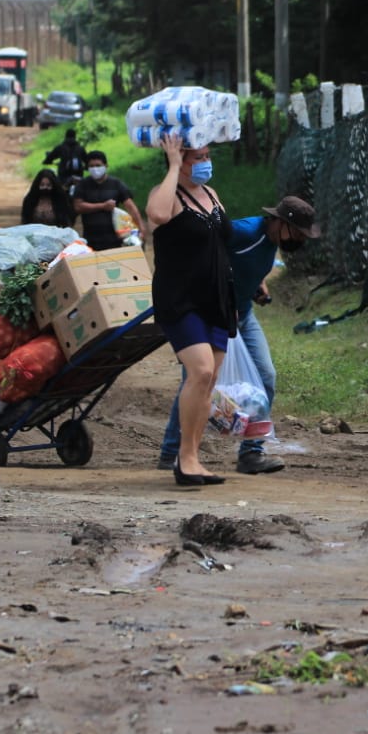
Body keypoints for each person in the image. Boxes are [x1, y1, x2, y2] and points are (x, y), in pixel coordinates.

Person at [157, 196, 321, 475]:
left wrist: (258, 283)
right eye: (296, 232)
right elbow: (207, 256)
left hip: (243, 314)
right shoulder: (244, 232)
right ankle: (172, 453)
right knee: (197, 381)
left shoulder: (272, 242)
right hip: (213, 312)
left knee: (266, 376)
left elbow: (243, 265)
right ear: (279, 222)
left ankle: (251, 454)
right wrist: (221, 299)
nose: (299, 240)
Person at [146, 136, 235, 486]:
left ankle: (194, 457)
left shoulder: (211, 195)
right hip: (180, 298)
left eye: (207, 156)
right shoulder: (166, 194)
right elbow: (157, 214)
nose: (205, 162)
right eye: (197, 157)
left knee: (209, 380)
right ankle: (184, 459)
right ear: (181, 160)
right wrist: (171, 166)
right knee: (199, 371)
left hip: (216, 298)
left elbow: (222, 244)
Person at [74, 151, 147, 251]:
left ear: (106, 165)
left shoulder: (116, 184)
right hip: (91, 239)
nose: (95, 169)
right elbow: (78, 206)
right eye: (91, 166)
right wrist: (102, 206)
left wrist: (141, 227)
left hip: (115, 239)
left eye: (98, 165)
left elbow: (130, 206)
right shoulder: (82, 185)